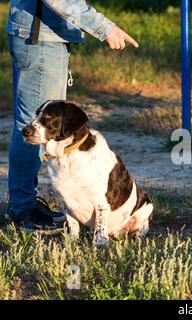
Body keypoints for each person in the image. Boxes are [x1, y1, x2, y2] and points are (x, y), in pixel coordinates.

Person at [6, 0, 139, 233]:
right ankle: (23, 211)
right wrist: (105, 27)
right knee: (34, 126)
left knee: (44, 127)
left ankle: (25, 205)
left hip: (46, 35)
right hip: (41, 38)